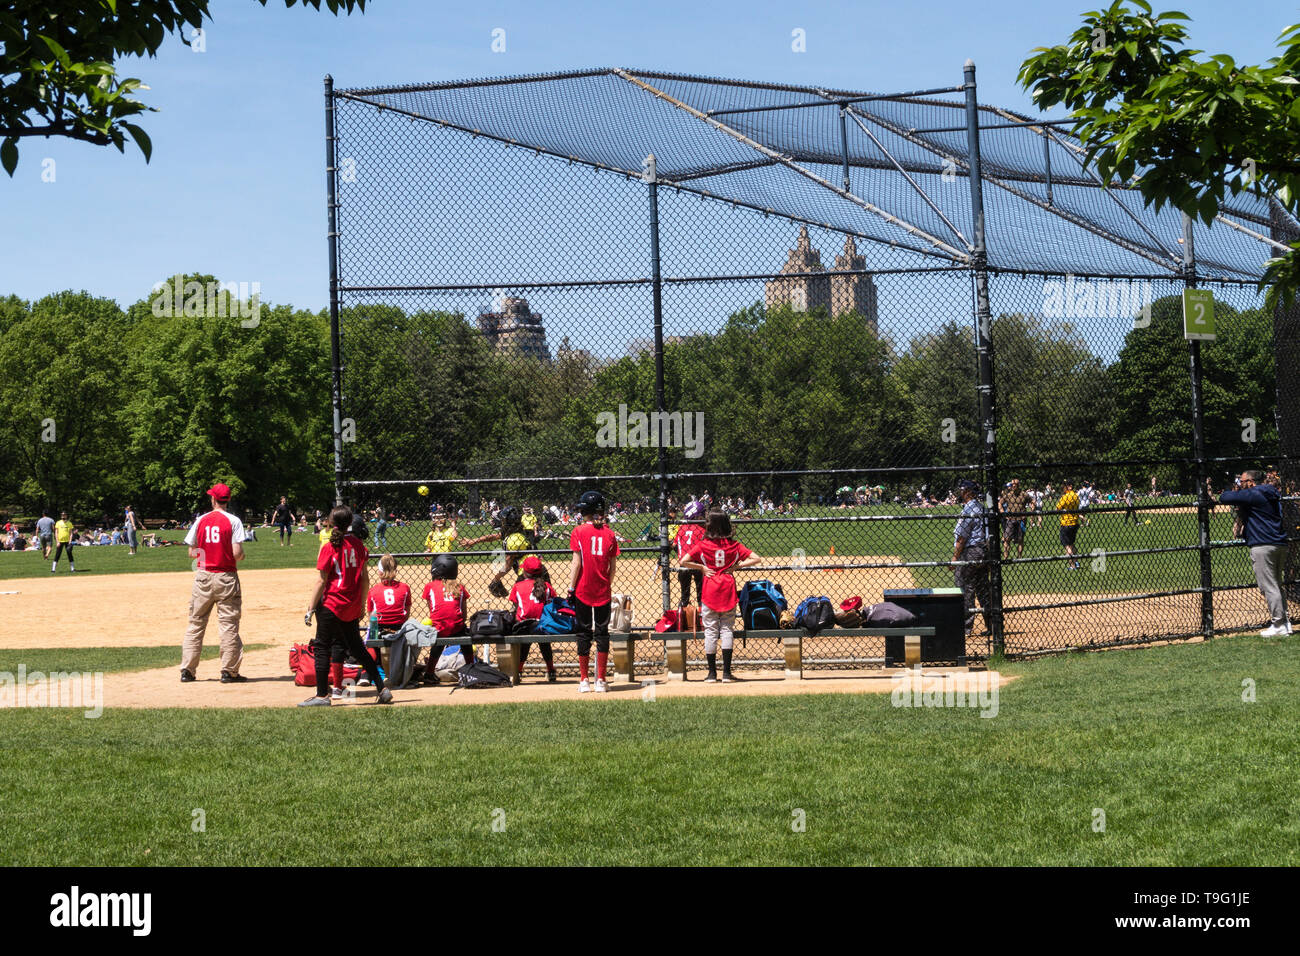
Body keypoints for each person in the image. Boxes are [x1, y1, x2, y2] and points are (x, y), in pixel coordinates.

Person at [300, 506, 391, 706]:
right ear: (350, 523)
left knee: (322, 647)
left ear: (332, 523)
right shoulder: (359, 546)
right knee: (357, 648)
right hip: (351, 604)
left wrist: (310, 608)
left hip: (331, 604)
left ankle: (322, 695)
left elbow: (321, 581)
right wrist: (360, 604)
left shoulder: (329, 547)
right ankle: (382, 688)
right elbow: (365, 580)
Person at [680, 509, 761, 683]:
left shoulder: (703, 545)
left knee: (710, 630)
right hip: (727, 587)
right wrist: (736, 567)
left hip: (710, 588)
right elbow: (756, 558)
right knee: (726, 630)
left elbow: (683, 561)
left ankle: (711, 674)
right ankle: (726, 673)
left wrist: (702, 568)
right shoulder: (734, 545)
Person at [181, 483, 248, 683]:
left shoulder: (201, 520)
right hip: (226, 575)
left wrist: (206, 556)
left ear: (213, 499)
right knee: (228, 625)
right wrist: (236, 557)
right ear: (227, 500)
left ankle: (188, 670)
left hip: (203, 575)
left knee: (195, 624)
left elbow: (191, 552)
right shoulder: (234, 521)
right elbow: (237, 553)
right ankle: (229, 671)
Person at [1220, 470, 1292, 635]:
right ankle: (1284, 621)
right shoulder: (1270, 492)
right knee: (1277, 584)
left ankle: (1279, 624)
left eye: (1242, 481)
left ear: (1251, 481)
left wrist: (1237, 490)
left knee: (1268, 586)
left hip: (1262, 544)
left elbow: (1224, 497)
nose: (1240, 483)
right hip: (1279, 543)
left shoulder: (1253, 493)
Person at [569, 490, 619, 693]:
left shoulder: (578, 531)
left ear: (585, 511)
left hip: (582, 589)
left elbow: (576, 563)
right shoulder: (610, 533)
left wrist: (571, 587)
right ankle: (601, 680)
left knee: (583, 632)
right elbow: (612, 567)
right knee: (602, 633)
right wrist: (607, 583)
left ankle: (584, 680)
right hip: (602, 589)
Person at [950, 479, 991, 638]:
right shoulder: (983, 508)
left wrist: (955, 557)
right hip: (984, 552)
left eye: (962, 490)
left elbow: (962, 538)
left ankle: (965, 628)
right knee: (984, 590)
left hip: (971, 552)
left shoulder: (969, 510)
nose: (960, 492)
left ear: (968, 492)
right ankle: (993, 625)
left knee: (964, 587)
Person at [463, 505, 530, 598]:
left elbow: (507, 565)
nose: (501, 522)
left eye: (503, 520)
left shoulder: (514, 539)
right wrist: (474, 541)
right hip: (529, 572)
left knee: (517, 598)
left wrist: (495, 580)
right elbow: (493, 537)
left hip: (528, 574)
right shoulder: (514, 532)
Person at [510, 554, 558, 684]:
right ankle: (551, 670)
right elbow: (552, 604)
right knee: (544, 642)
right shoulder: (547, 586)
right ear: (541, 572)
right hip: (543, 625)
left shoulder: (518, 586)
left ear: (524, 572)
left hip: (524, 625)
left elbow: (516, 606)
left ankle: (518, 671)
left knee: (525, 642)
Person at [423, 553, 475, 666]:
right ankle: (471, 667)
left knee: (439, 633)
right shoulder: (460, 587)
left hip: (439, 629)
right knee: (465, 637)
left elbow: (433, 611)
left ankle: (430, 672)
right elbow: (464, 615)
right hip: (457, 628)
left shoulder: (430, 586)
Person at [673, 500, 707, 606]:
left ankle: (682, 614)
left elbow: (674, 545)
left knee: (684, 596)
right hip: (698, 565)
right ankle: (701, 616)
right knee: (701, 595)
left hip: (683, 565)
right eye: (702, 514)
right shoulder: (702, 529)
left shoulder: (682, 527)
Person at [1000, 478, 1031, 559]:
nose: (1013, 486)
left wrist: (1031, 512)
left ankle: (1019, 557)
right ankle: (1005, 557)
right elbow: (999, 503)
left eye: (1015, 484)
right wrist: (1003, 512)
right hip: (1010, 519)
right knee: (1007, 539)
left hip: (1021, 519)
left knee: (1020, 539)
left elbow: (1032, 501)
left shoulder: (1024, 494)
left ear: (1018, 485)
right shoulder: (1008, 495)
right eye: (1012, 484)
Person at [1057, 481, 1081, 570]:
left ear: (1069, 487)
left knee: (1067, 546)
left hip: (1066, 523)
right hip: (1075, 522)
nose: (1063, 488)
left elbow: (1058, 508)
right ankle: (1076, 561)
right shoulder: (1076, 495)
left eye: (1065, 486)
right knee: (1071, 544)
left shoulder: (1065, 497)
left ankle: (1072, 565)